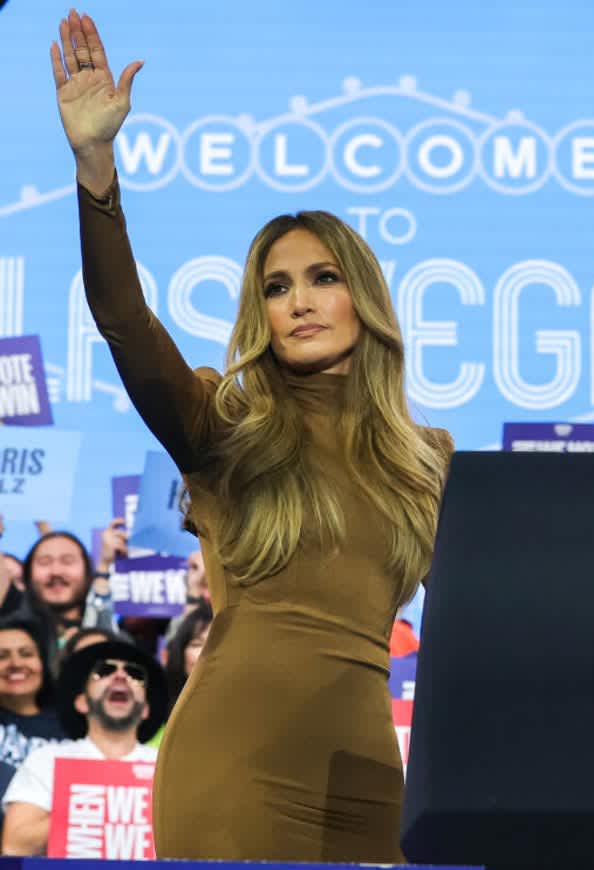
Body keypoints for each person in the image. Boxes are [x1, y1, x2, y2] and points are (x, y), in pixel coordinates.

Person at [50, 11, 453, 862]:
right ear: (259, 314)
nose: (300, 301)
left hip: (371, 777)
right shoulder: (222, 425)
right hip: (234, 761)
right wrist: (96, 169)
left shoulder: (428, 459)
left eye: (322, 278)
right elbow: (122, 320)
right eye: (276, 287)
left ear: (364, 298)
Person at [0, 639, 163, 856]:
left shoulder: (165, 767)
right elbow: (15, 846)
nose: (121, 676)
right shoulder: (47, 761)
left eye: (135, 674)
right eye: (104, 671)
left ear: (145, 709)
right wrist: (93, 806)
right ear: (81, 702)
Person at [18, 533, 117, 673]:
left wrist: (105, 565)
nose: (56, 571)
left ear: (87, 571)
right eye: (44, 562)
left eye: (67, 561)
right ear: (28, 573)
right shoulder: (12, 631)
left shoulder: (115, 636)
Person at [0, 617, 68, 820]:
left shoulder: (72, 727)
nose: (16, 664)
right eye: (2, 656)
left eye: (26, 654)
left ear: (43, 662)